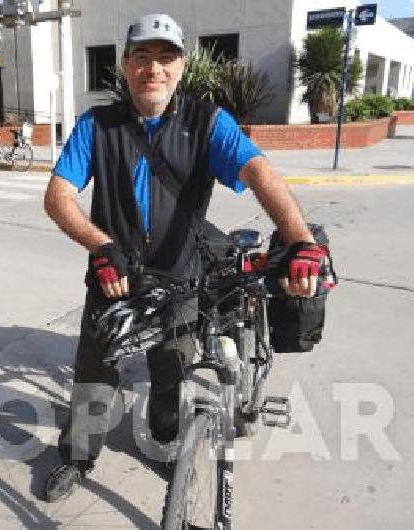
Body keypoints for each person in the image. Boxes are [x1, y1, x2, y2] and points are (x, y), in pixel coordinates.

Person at [41, 13, 331, 502]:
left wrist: (300, 239)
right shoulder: (97, 126)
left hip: (179, 281)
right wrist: (101, 247)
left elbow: (260, 172)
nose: (153, 69)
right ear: (124, 65)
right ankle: (77, 455)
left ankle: (165, 445)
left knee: (170, 373)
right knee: (95, 371)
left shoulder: (207, 122)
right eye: (142, 56)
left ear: (181, 66)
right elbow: (58, 196)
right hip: (115, 277)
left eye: (166, 57)